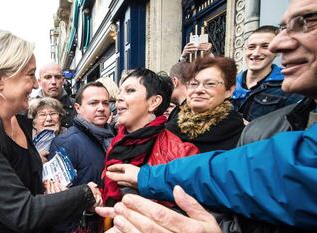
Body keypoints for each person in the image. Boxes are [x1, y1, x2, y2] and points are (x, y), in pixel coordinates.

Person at [96, 2, 317, 231]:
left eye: (308, 20)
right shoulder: (170, 125)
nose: (278, 44)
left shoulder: (251, 132)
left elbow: (243, 181)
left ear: (231, 90)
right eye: (193, 84)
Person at [0, 30, 101, 233]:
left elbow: (24, 188)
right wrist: (85, 193)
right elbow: (22, 212)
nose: (35, 84)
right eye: (30, 74)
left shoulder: (19, 120)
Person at [103, 68, 199, 207]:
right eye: (120, 92)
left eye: (130, 91)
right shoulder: (118, 143)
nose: (119, 98)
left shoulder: (181, 153)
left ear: (154, 102)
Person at [48, 81, 114, 232]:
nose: (101, 108)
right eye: (93, 103)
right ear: (78, 108)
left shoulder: (114, 137)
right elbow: (58, 201)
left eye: (105, 103)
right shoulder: (65, 143)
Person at [167, 57, 245, 152]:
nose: (199, 90)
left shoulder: (242, 136)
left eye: (210, 84)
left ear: (229, 90)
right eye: (193, 84)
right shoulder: (169, 128)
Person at [231, 25, 303, 122]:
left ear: (277, 51)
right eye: (251, 47)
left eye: (265, 47)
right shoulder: (229, 83)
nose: (256, 53)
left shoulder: (290, 86)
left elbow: (296, 127)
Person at [37, 62, 76, 128]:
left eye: (57, 77)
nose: (53, 82)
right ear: (39, 82)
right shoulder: (30, 108)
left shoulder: (76, 106)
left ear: (63, 81)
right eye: (48, 77)